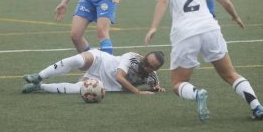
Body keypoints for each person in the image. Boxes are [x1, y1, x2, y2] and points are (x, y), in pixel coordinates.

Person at [144, 0, 263, 121]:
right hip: (210, 29)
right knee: (230, 74)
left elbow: (163, 1)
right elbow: (226, 2)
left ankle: (197, 93)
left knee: (178, 83)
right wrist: (235, 17)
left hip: (185, 34)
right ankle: (256, 106)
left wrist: (153, 27)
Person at [22, 49, 165, 95]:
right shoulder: (132, 57)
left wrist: (156, 88)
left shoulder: (152, 77)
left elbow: (155, 87)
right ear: (145, 57)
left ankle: (39, 86)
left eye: (150, 66)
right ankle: (39, 76)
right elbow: (120, 77)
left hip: (104, 84)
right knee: (78, 60)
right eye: (146, 61)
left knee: (76, 89)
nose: (145, 65)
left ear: (155, 69)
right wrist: (138, 92)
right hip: (101, 61)